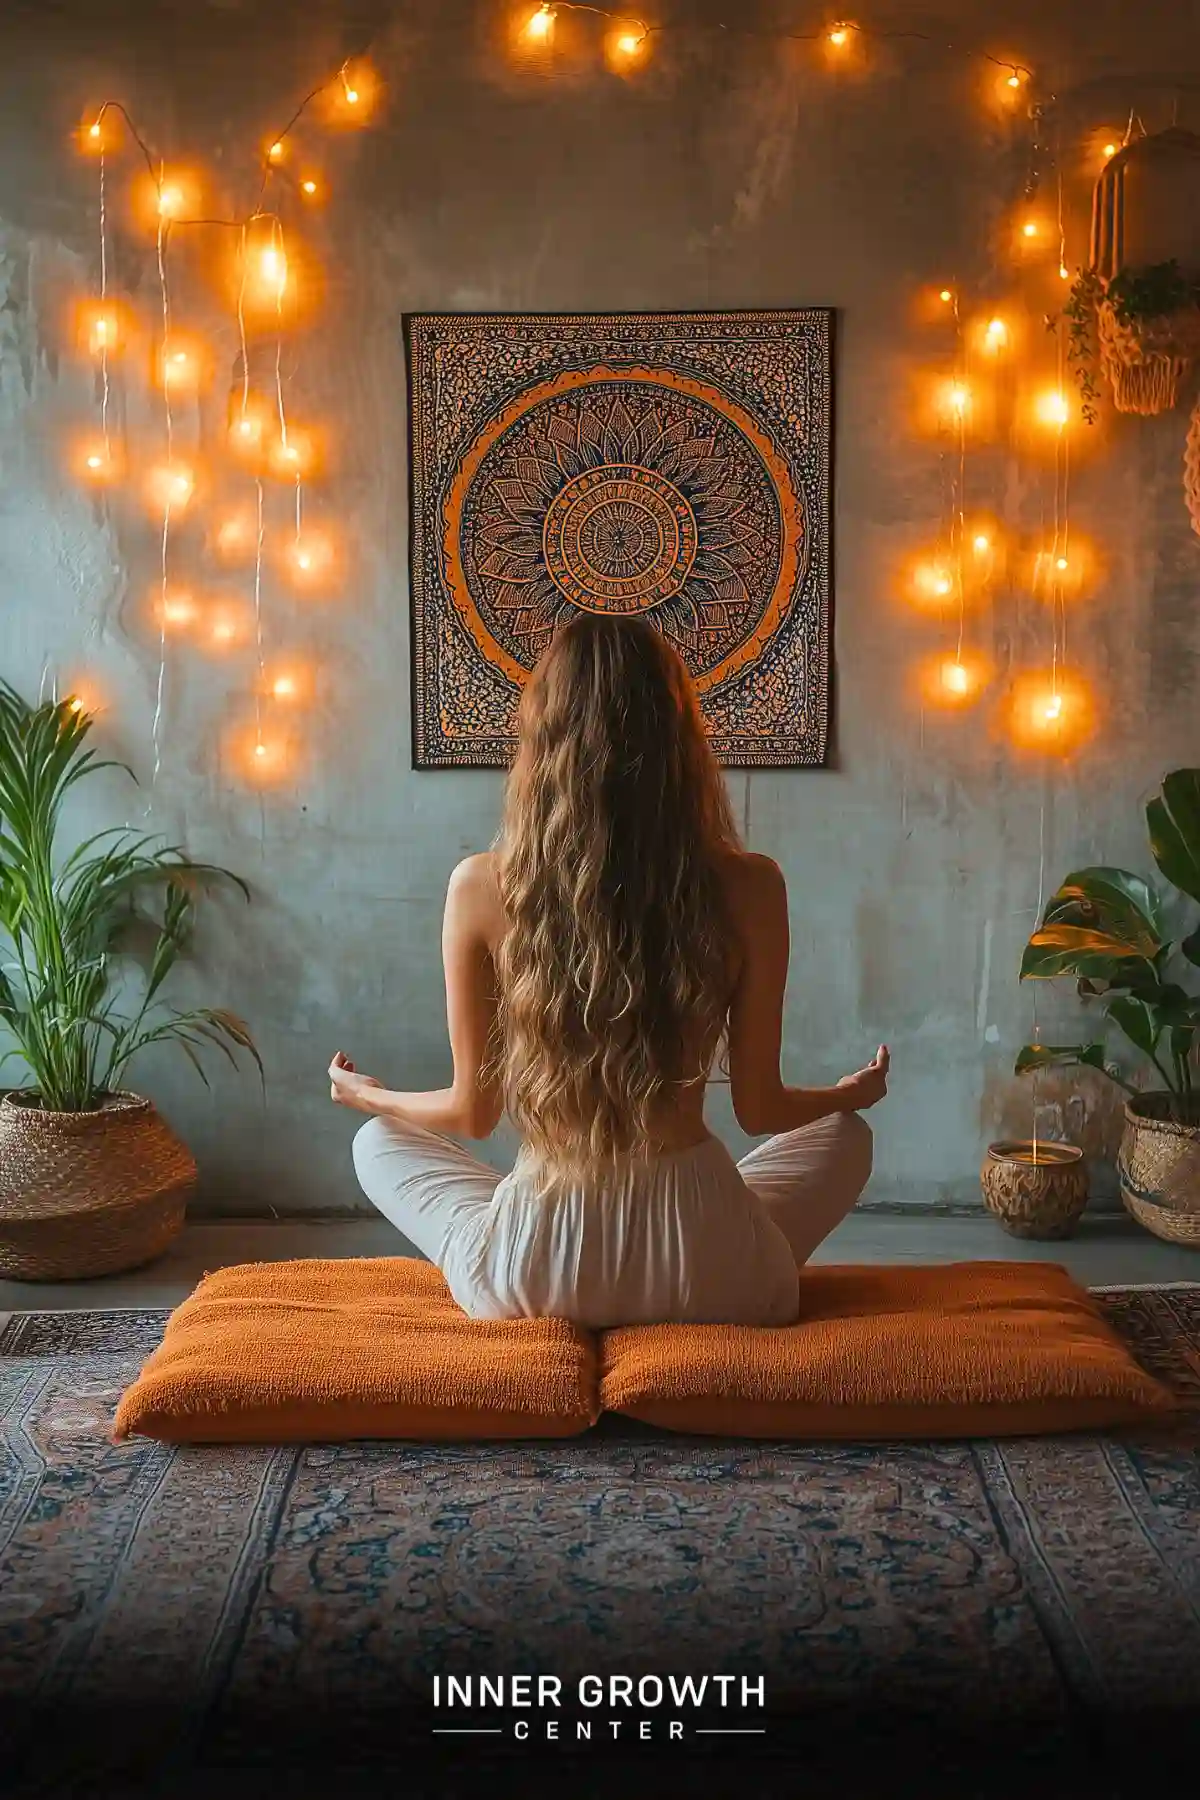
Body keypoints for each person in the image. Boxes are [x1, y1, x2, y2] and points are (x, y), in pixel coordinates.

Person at [330, 614, 889, 1328]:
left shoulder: (479, 884)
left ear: (542, 737)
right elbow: (761, 1110)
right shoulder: (750, 884)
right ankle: (721, 1248)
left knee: (377, 1142)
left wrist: (369, 1098)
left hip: (533, 1273)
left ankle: (556, 1280)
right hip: (716, 1276)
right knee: (846, 1135)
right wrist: (852, 1094)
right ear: (678, 736)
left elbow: (473, 1112)